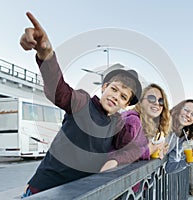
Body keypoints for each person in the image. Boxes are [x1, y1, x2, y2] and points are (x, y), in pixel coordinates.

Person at [20, 12, 142, 197]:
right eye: (114, 89)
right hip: (46, 190)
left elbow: (133, 148)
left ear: (125, 105)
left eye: (123, 96)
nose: (116, 97)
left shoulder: (117, 124)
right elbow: (58, 90)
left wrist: (115, 160)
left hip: (80, 192)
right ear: (104, 87)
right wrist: (45, 54)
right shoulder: (82, 103)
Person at [100, 83, 170, 171]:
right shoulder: (133, 121)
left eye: (161, 101)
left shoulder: (149, 126)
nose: (156, 103)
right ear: (140, 101)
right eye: (151, 98)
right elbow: (117, 154)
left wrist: (158, 150)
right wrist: (147, 150)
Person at [165, 99, 193, 173]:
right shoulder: (163, 122)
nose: (188, 115)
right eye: (186, 110)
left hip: (149, 179)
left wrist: (186, 161)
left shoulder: (182, 137)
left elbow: (169, 168)